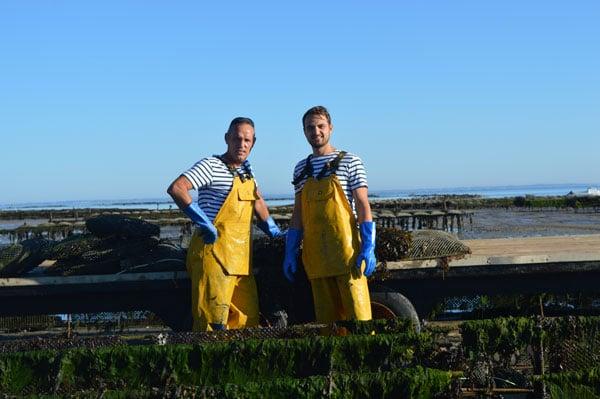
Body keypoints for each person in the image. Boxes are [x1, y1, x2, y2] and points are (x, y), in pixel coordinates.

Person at [167, 117, 282, 331]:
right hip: (213, 255)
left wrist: (275, 233)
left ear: (253, 142)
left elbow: (258, 204)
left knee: (246, 323)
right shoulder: (211, 165)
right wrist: (204, 222)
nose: (242, 144)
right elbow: (177, 188)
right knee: (212, 324)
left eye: (247, 140)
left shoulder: (248, 173)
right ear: (227, 139)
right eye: (237, 139)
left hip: (240, 261)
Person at [282, 106, 377, 328]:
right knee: (328, 325)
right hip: (316, 259)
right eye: (310, 127)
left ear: (330, 128)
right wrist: (291, 251)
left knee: (359, 320)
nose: (316, 131)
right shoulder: (300, 169)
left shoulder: (350, 161)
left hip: (348, 257)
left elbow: (362, 204)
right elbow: (298, 213)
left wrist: (368, 246)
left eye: (321, 126)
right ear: (304, 132)